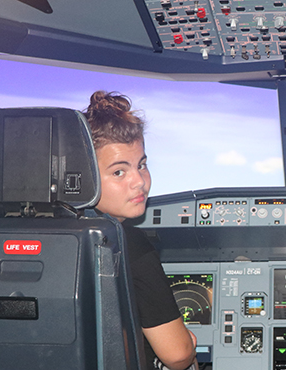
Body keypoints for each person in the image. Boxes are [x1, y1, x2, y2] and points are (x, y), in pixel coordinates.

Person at [83, 91, 197, 370]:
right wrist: (190, 342)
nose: (139, 182)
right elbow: (177, 355)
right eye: (119, 172)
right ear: (84, 178)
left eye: (141, 165)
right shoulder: (124, 244)